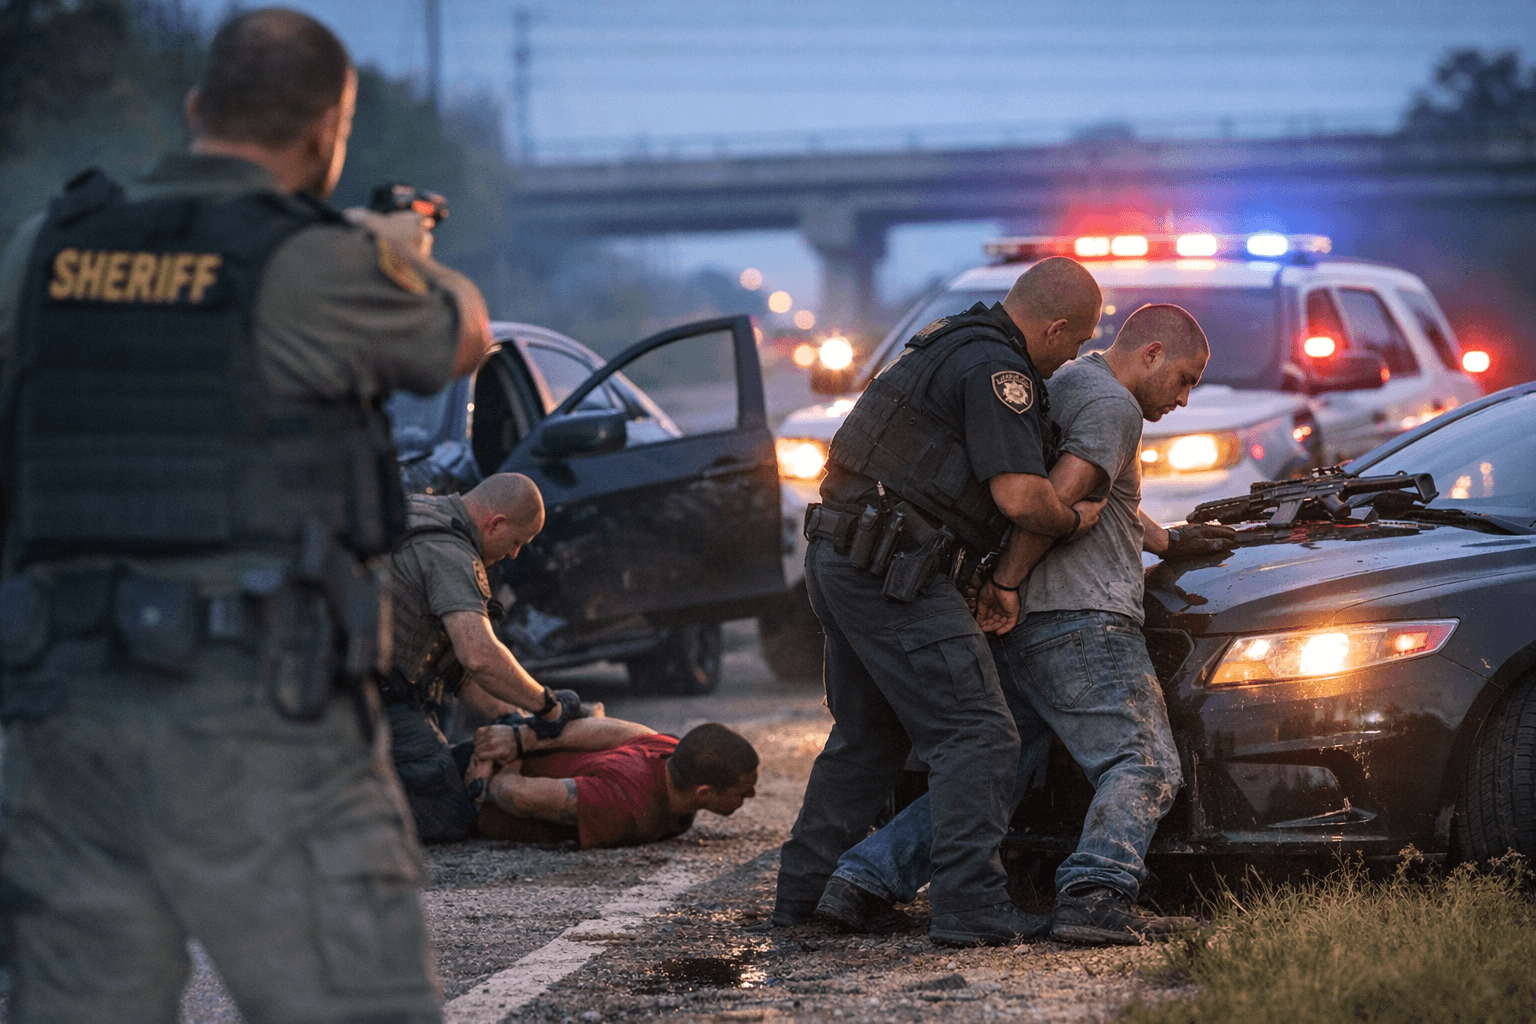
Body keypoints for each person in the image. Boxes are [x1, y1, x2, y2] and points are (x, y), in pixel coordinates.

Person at [0, 9, 494, 1023]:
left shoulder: (43, 246)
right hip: (257, 715)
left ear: (195, 110)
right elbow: (464, 336)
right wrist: (394, 247)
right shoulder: (307, 260)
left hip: (65, 713)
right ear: (327, 131)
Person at [818, 304, 1237, 946]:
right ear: (1151, 353)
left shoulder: (1067, 381)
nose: (1183, 398)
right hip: (1084, 617)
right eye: (1185, 379)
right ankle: (1097, 892)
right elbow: (1059, 500)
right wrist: (1006, 583)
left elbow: (1104, 497)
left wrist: (1168, 541)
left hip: (1030, 628)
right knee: (1144, 761)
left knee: (1004, 766)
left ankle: (863, 878)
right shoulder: (1115, 407)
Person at [774, 257, 1108, 948]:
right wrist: (1075, 520)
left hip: (842, 558)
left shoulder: (946, 341)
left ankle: (803, 897)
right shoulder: (999, 370)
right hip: (893, 571)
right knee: (979, 735)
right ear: (1054, 328)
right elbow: (1021, 497)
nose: (1071, 359)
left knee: (869, 737)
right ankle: (970, 906)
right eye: (1075, 343)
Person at [383, 472, 593, 844]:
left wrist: (510, 718)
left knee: (448, 768)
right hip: (374, 699)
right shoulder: (450, 553)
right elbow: (480, 656)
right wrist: (549, 707)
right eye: (516, 542)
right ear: (495, 523)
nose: (514, 554)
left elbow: (458, 669)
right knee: (446, 813)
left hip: (345, 684)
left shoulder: (418, 510)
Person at [467, 717, 760, 849]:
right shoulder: (624, 802)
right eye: (743, 792)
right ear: (704, 792)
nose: (752, 795)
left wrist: (522, 739)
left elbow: (608, 729)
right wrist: (496, 773)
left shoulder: (671, 750)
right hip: (463, 801)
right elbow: (521, 797)